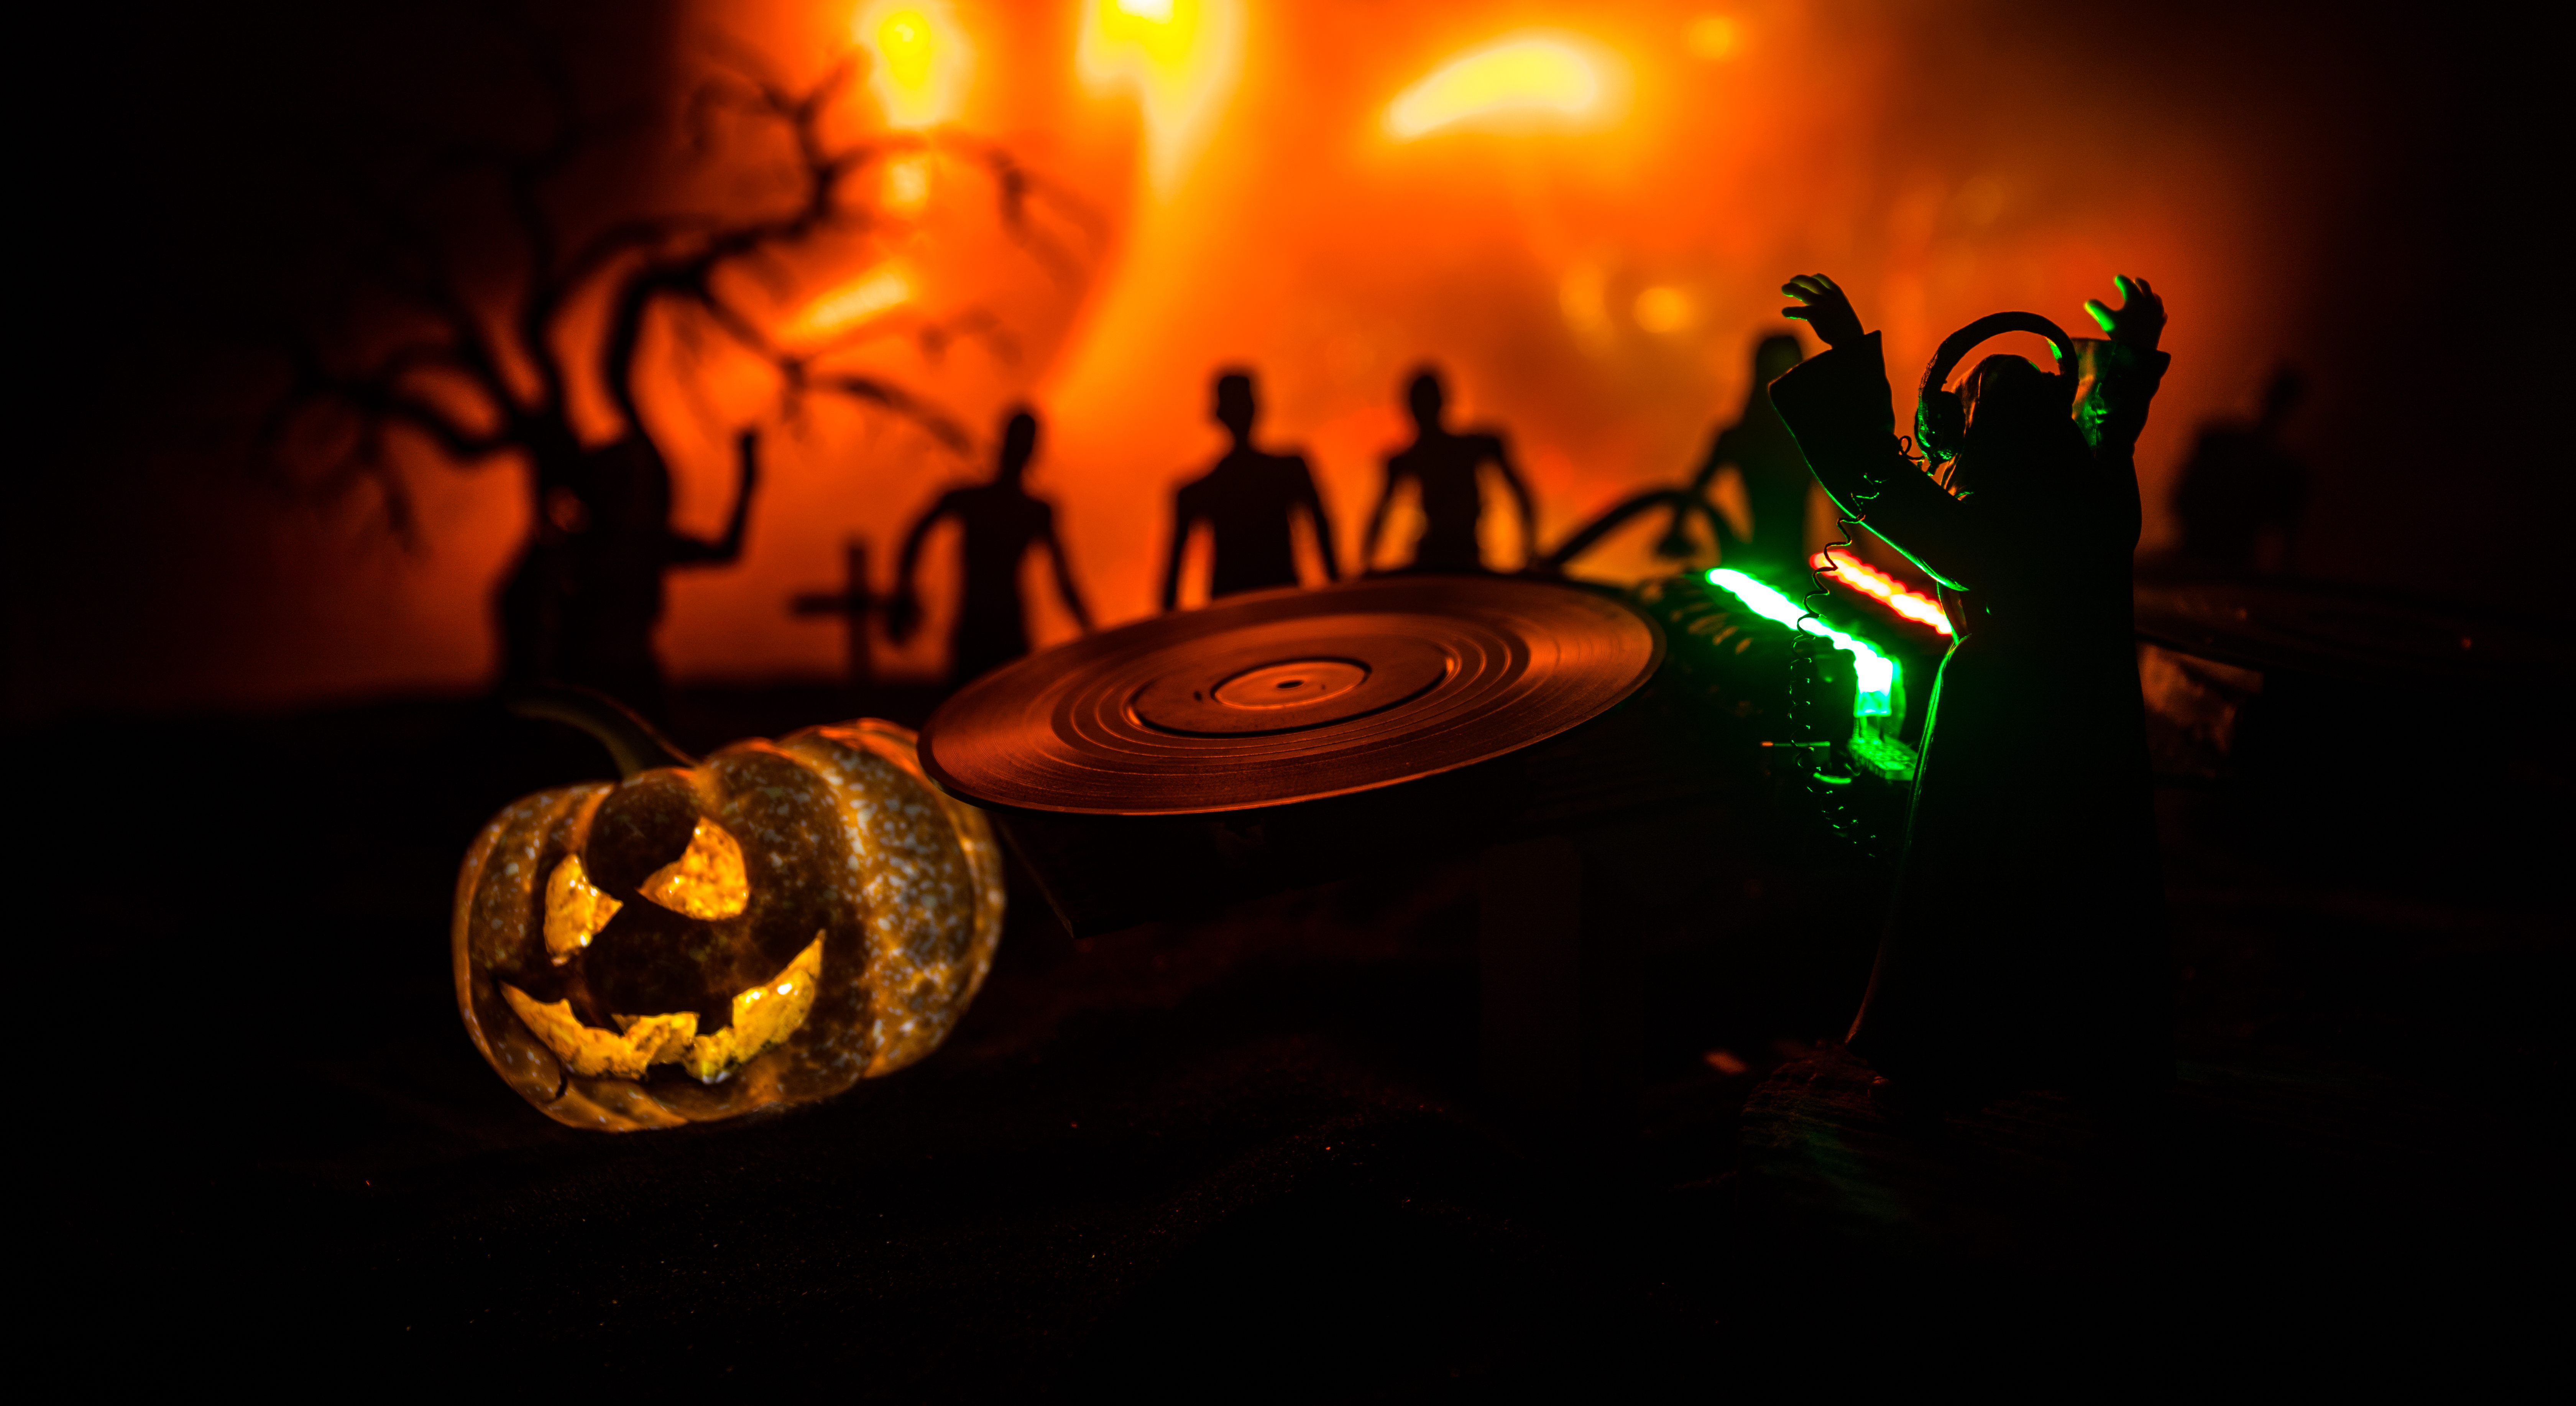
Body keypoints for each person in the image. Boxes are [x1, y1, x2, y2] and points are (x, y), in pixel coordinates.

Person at [1770, 271, 2171, 1104]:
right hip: (2090, 719)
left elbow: (1871, 472)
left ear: (1966, 431)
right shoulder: (2097, 502)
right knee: (2079, 887)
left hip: (1993, 723)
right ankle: (2082, 1052)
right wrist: (2125, 353)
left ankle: (1940, 1056)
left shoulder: (1982, 530)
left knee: (1968, 886)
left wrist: (1849, 354)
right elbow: (2111, 431)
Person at [507, 427, 759, 722]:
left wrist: (748, 482)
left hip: (617, 666)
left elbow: (725, 553)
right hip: (594, 668)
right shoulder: (586, 543)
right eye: (621, 479)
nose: (631, 488)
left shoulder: (610, 541)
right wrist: (749, 481)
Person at [888, 408, 1092, 686]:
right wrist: (905, 589)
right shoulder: (1021, 509)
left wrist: (905, 589)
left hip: (993, 625)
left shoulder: (1003, 506)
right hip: (989, 625)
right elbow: (1064, 581)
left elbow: (1064, 581)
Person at [1160, 370, 1340, 610]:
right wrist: (1338, 597)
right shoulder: (1289, 470)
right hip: (1282, 597)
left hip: (1231, 606)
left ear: (1217, 415)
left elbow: (1173, 578)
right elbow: (1322, 531)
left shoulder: (1198, 491)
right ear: (1258, 408)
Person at [1362, 367, 1536, 574]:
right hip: (1439, 558)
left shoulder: (1473, 448)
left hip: (1461, 555)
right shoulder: (1410, 460)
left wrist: (1530, 552)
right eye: (1421, 405)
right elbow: (1379, 516)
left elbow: (1379, 516)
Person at [2171, 365, 2308, 573]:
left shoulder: (2217, 442)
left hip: (2209, 559)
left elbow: (2181, 497)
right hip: (2228, 562)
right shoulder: (2285, 468)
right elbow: (2284, 534)